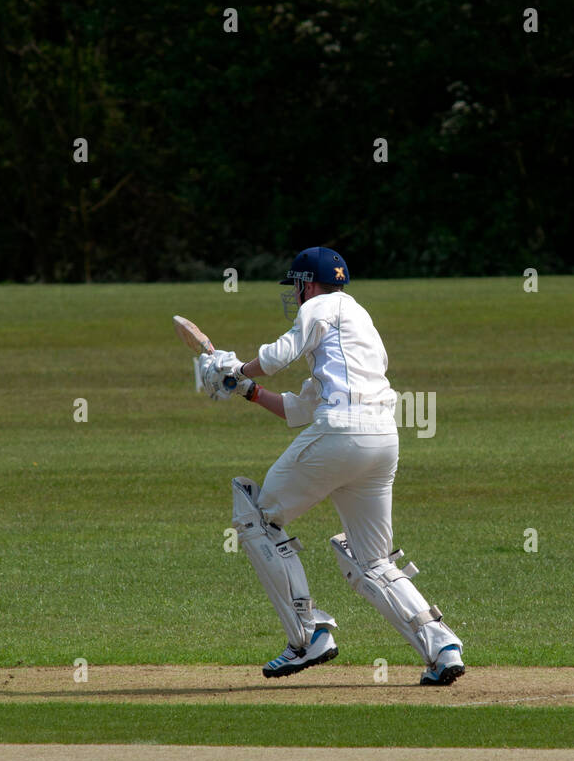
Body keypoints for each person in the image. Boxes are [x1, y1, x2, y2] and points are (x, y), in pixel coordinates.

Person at [197, 246, 466, 685]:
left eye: (296, 286)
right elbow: (297, 409)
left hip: (341, 433)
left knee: (257, 517)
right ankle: (441, 646)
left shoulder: (320, 306)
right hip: (381, 440)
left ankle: (308, 637)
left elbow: (276, 357)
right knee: (373, 559)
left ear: (308, 284)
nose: (295, 294)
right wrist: (244, 388)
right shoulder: (360, 323)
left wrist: (236, 366)